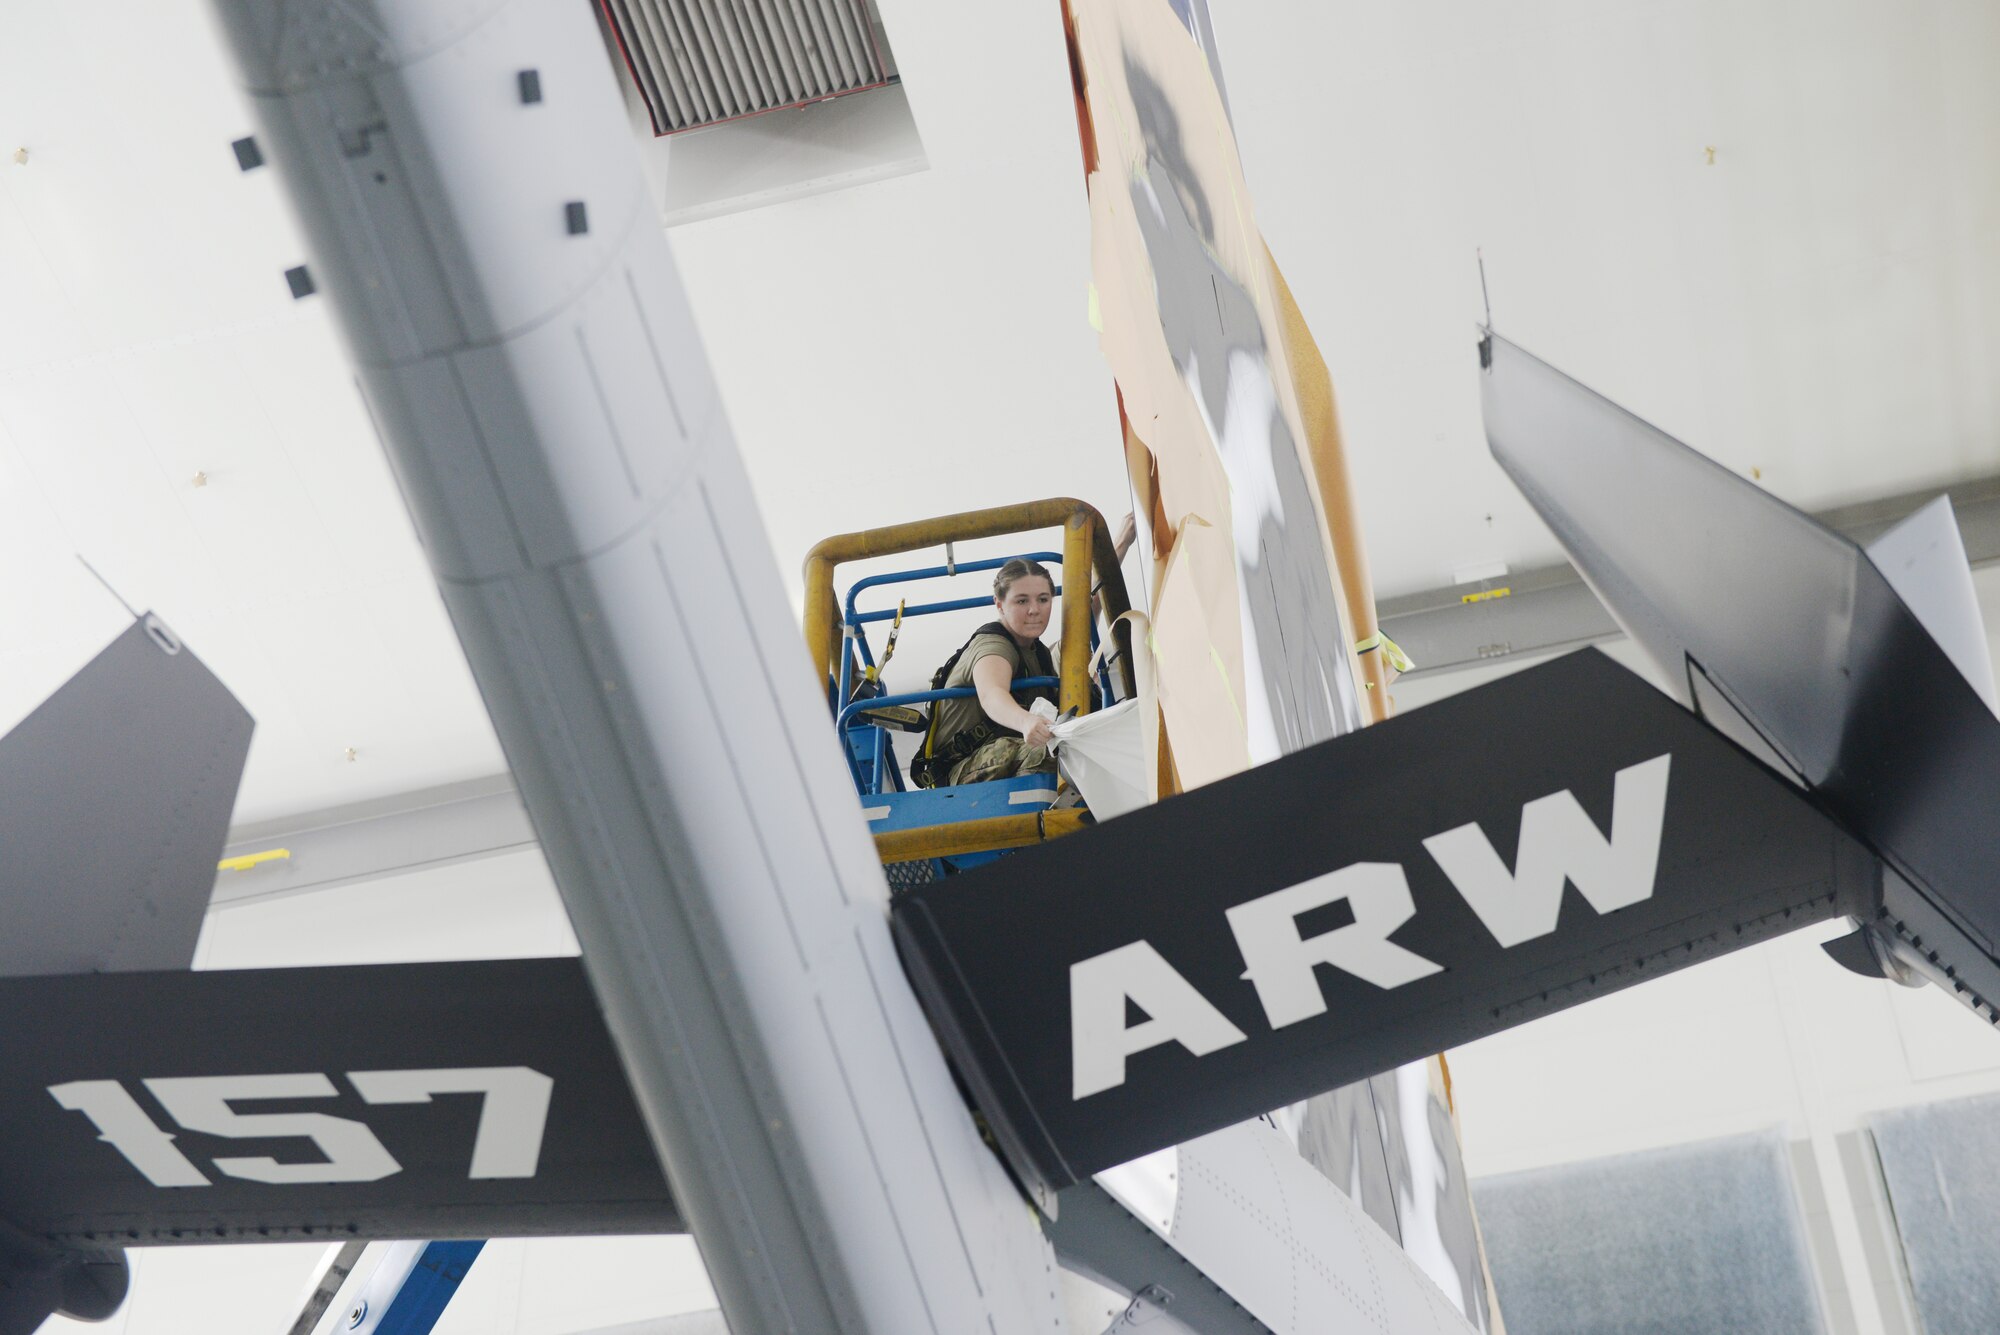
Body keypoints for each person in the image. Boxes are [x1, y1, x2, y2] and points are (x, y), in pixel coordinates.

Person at [922, 559, 1061, 786]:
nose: (1034, 609)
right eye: (1022, 601)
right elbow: (992, 694)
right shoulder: (994, 645)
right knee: (1053, 752)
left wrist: (1122, 542)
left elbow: (1083, 614)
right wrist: (1026, 722)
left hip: (1006, 755)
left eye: (1043, 599)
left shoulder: (1039, 652)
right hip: (961, 768)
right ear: (999, 604)